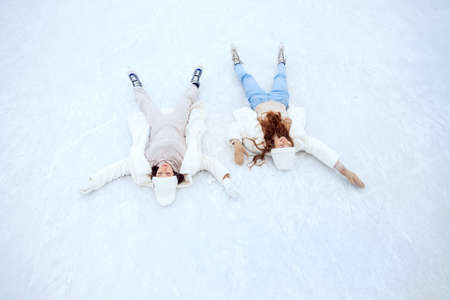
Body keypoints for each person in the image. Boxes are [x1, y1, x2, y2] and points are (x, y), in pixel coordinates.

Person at [81, 67, 238, 205]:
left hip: (157, 125)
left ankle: (137, 85)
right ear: (175, 175)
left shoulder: (146, 163)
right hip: (177, 123)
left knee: (146, 105)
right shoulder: (188, 163)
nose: (163, 169)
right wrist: (227, 181)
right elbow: (212, 165)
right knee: (185, 101)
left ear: (154, 175)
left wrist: (94, 182)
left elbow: (116, 169)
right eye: (167, 174)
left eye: (160, 174)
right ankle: (194, 83)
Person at [228, 44, 365, 188]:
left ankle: (237, 62)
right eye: (287, 146)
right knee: (280, 77)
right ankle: (281, 61)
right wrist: (344, 170)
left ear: (273, 149)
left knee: (247, 79)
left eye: (280, 147)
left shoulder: (259, 142)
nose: (284, 143)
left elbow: (237, 127)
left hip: (258, 101)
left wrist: (236, 143)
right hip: (280, 100)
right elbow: (318, 148)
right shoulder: (297, 139)